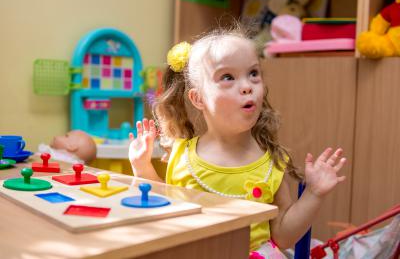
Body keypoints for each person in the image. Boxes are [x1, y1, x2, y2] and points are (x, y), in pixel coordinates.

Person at [128, 27, 346, 258]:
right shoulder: (182, 156)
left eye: (253, 73)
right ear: (197, 98)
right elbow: (162, 208)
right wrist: (142, 167)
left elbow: (282, 235)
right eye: (228, 77)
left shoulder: (272, 162)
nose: (246, 85)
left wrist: (314, 193)